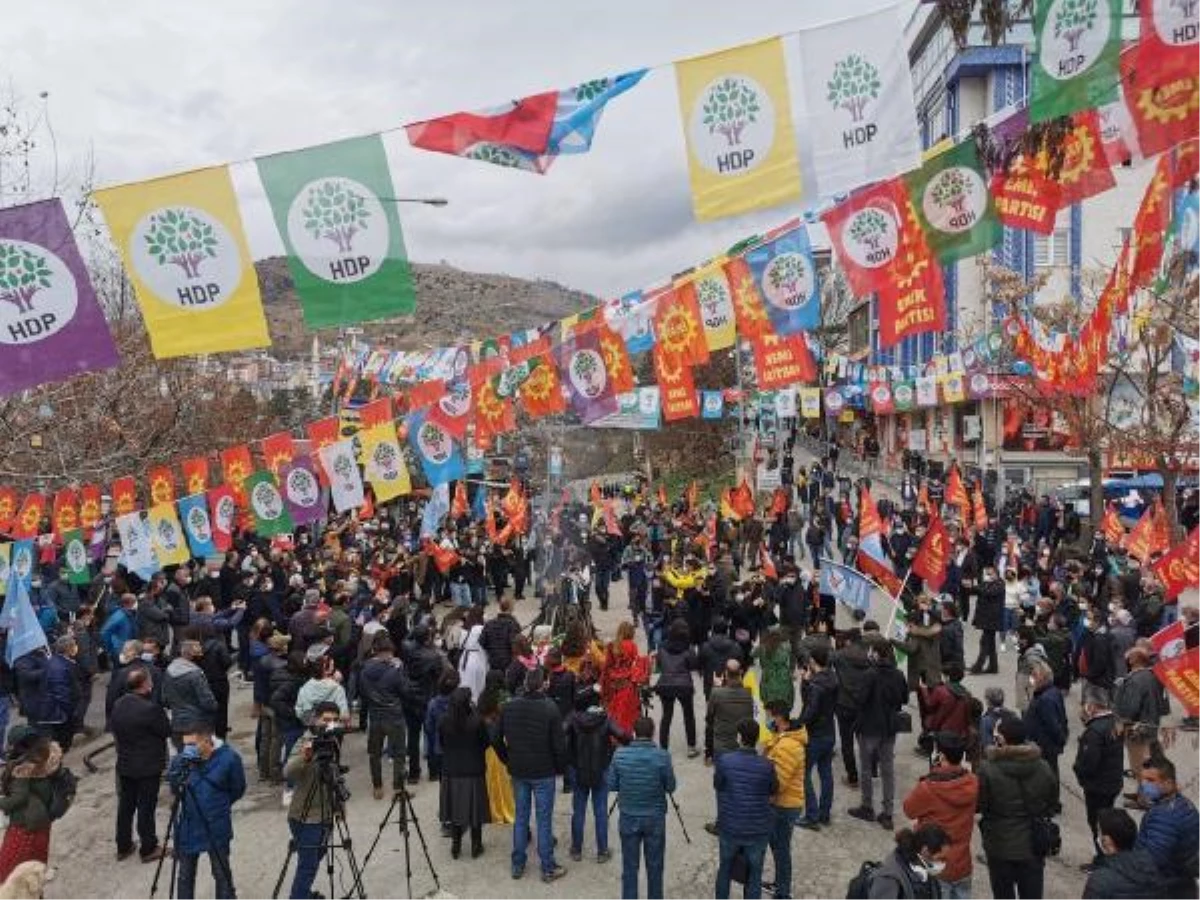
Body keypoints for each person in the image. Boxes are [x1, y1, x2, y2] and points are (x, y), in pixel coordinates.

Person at [495, 667, 567, 883]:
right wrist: (560, 768)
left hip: (519, 770)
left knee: (521, 818)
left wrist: (507, 759)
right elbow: (559, 746)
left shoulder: (509, 707)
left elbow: (495, 737)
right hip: (543, 771)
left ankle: (518, 863)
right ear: (543, 684)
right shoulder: (550, 708)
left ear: (526, 683)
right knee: (544, 820)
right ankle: (547, 867)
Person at [976, 714, 1059, 900]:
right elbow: (1052, 802)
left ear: (1002, 739)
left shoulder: (988, 769)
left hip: (999, 842)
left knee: (1002, 894)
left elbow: (981, 804)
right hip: (1033, 841)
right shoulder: (1043, 767)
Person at [166, 722, 245, 900]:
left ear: (207, 740)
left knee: (221, 873)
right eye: (185, 744)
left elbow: (238, 788)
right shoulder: (183, 758)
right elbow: (174, 786)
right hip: (188, 825)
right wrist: (179, 764)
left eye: (193, 744)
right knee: (185, 875)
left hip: (215, 825)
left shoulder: (229, 758)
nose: (188, 748)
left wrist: (220, 804)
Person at [902, 732, 978, 900]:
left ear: (940, 756)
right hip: (963, 863)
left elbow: (908, 809)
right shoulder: (972, 781)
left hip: (936, 864)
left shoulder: (929, 788)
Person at [607, 716, 675, 900]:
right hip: (655, 817)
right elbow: (671, 787)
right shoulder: (662, 756)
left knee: (629, 867)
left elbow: (612, 785)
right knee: (655, 867)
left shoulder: (620, 754)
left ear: (634, 733)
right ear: (653, 733)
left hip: (629, 816)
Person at [283, 701, 345, 900]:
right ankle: (298, 896)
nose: (330, 724)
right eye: (326, 720)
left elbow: (334, 774)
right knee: (308, 866)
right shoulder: (305, 741)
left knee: (316, 857)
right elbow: (288, 772)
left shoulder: (333, 741)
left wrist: (340, 806)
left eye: (335, 720)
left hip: (326, 813)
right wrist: (306, 756)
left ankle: (303, 894)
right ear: (315, 719)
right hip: (305, 816)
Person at [110, 668, 170, 863]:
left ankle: (123, 845)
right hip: (147, 765)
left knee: (126, 806)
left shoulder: (118, 704)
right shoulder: (150, 709)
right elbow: (165, 731)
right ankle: (148, 847)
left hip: (125, 763)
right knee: (146, 807)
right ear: (144, 685)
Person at [713, 719, 777, 900]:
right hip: (757, 829)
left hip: (730, 826)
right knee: (755, 875)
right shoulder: (767, 765)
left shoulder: (725, 761)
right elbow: (773, 789)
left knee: (725, 868)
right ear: (756, 738)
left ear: (739, 737)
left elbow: (718, 785)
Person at [565, 684, 630, 863]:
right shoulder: (605, 718)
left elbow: (560, 734)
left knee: (578, 811)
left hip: (578, 770)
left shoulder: (573, 718)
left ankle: (576, 849)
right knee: (600, 811)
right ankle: (602, 851)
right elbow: (624, 736)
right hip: (601, 769)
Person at [849, 640, 908, 830]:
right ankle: (888, 812)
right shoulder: (898, 674)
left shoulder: (869, 674)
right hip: (889, 727)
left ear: (875, 654)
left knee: (866, 768)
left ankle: (867, 806)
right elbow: (904, 698)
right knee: (887, 769)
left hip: (869, 727)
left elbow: (859, 699)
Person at [1072, 684, 1124, 868]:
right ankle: (1108, 856)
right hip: (1112, 781)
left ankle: (1103, 859)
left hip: (1098, 785)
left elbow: (1089, 762)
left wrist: (1079, 773)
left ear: (1092, 706)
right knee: (1106, 821)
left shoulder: (1095, 731)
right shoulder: (1114, 722)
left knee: (1097, 824)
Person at [1134, 755, 1200, 899]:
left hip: (1165, 889)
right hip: (1184, 885)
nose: (1144, 784)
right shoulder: (1185, 804)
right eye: (1143, 779)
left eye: (1151, 780)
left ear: (1169, 783)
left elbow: (1152, 861)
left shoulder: (1164, 816)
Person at [0, 728, 60, 883]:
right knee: (35, 867)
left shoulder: (23, 768)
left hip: (25, 826)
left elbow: (19, 798)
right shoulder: (46, 759)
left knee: (9, 871)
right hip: (42, 823)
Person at [437, 686, 491, 859]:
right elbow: (486, 743)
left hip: (451, 770)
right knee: (475, 810)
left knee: (454, 810)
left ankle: (456, 845)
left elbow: (442, 743)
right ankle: (476, 845)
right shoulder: (476, 721)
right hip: (473, 769)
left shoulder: (444, 720)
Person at [763, 700, 806, 900]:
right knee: (779, 848)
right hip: (783, 804)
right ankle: (780, 885)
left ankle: (783, 893)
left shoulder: (788, 746)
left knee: (781, 850)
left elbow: (778, 783)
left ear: (778, 717)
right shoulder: (782, 739)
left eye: (769, 716)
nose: (767, 720)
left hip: (784, 805)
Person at [1083, 808, 1167, 900]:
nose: (1097, 836)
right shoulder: (1151, 868)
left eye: (1099, 831)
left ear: (1107, 841)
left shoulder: (1099, 880)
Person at [797, 643, 838, 829]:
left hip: (815, 735)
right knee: (826, 773)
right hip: (829, 731)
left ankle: (811, 815)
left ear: (813, 662)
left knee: (804, 773)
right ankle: (824, 813)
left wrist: (796, 724)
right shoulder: (833, 679)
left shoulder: (816, 685)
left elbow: (809, 710)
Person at [867, 824, 952, 900]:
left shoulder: (926, 871)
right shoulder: (888, 880)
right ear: (925, 851)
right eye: (941, 858)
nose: (943, 863)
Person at [654, 618, 700, 755]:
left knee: (666, 716)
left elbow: (659, 664)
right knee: (689, 715)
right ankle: (691, 747)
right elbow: (693, 665)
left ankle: (663, 747)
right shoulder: (689, 648)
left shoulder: (662, 646)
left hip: (666, 684)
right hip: (684, 684)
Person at [162, 639, 218, 750]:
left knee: (185, 759)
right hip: (198, 725)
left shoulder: (169, 671)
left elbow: (164, 699)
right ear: (192, 656)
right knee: (202, 759)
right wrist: (215, 707)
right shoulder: (195, 674)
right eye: (200, 653)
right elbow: (208, 702)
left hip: (177, 724)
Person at [1022, 660, 1068, 780]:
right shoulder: (1052, 692)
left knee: (1048, 776)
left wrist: (1060, 739)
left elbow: (1053, 724)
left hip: (1045, 746)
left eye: (1034, 676)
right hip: (1045, 745)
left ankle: (1051, 797)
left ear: (1043, 678)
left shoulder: (1045, 699)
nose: (1031, 679)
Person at [706, 658, 754, 766]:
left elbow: (709, 717)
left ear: (726, 673)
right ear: (741, 673)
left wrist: (717, 687)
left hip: (722, 745)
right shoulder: (748, 693)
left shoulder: (716, 693)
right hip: (741, 743)